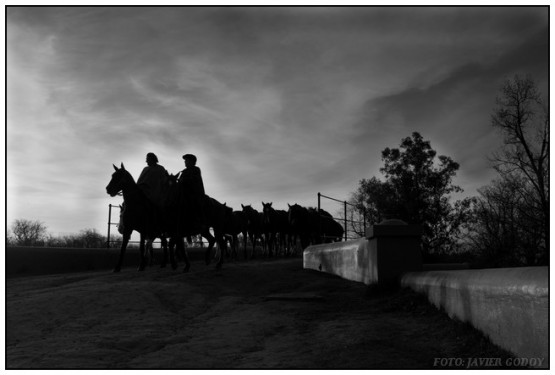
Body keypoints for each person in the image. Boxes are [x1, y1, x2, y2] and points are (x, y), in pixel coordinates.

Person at [178, 154, 207, 228]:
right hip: (183, 193)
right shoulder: (183, 172)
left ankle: (200, 222)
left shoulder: (196, 169)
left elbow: (193, 181)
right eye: (185, 161)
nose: (185, 162)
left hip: (195, 194)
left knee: (194, 203)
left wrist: (183, 181)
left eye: (186, 160)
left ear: (191, 161)